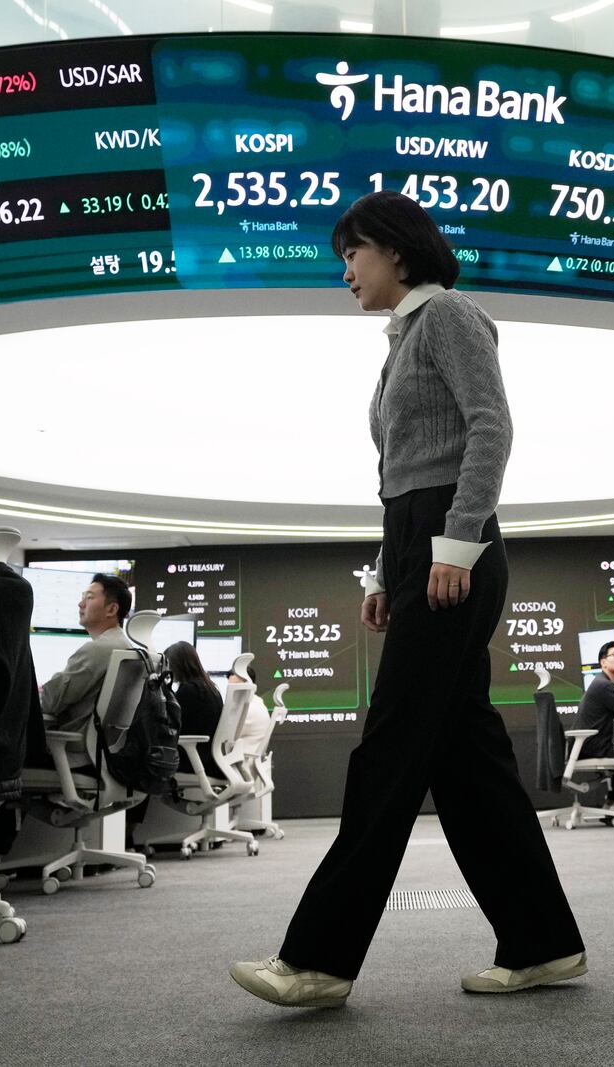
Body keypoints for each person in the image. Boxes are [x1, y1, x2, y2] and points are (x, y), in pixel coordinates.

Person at [231, 190, 585, 1009]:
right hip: (418, 544)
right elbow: (406, 473)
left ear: (395, 248)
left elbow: (489, 428)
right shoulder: (404, 339)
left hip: (452, 548)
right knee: (469, 767)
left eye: (351, 252)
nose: (344, 271)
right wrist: (387, 575)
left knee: (389, 749)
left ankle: (318, 958)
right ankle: (545, 943)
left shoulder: (452, 314)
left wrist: (453, 544)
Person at [39, 573, 134, 734]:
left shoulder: (99, 649)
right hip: (102, 750)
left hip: (70, 748)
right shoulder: (125, 646)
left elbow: (50, 702)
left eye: (89, 598)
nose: (80, 604)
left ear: (111, 609)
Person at [165, 641, 226, 778]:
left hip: (192, 760)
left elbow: (171, 727)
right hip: (208, 759)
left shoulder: (189, 691)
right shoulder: (211, 689)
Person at [574, 640, 614, 758]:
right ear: (603, 663)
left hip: (590, 745)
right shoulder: (604, 685)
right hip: (595, 748)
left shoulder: (601, 681)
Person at [230, 662, 273, 759]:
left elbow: (225, 737)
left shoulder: (248, 709)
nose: (231, 694)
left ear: (247, 684)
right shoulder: (257, 704)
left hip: (239, 762)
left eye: (234, 688)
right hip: (245, 761)